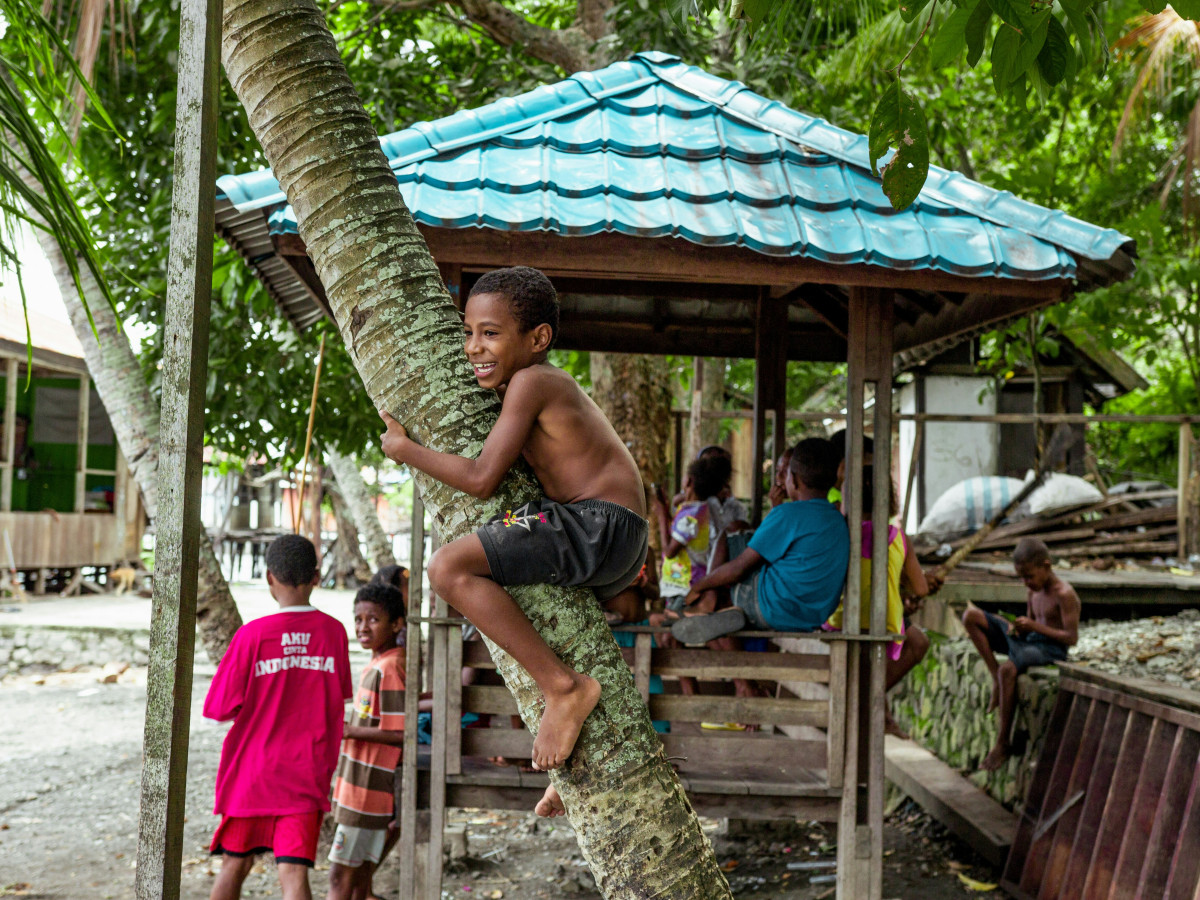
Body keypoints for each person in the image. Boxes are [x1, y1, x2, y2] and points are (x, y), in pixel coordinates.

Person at [378, 266, 648, 772]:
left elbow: (482, 479)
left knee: (446, 568)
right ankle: (570, 769)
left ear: (538, 338)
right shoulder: (530, 386)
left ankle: (562, 687)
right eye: (468, 332)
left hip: (596, 524)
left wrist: (403, 449)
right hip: (608, 533)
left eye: (491, 333)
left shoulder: (533, 381)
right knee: (564, 631)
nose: (473, 348)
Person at [203, 535, 353, 900]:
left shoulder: (251, 636)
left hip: (252, 773)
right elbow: (339, 698)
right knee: (294, 872)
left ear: (269, 577)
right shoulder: (334, 632)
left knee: (234, 864)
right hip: (306, 773)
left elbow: (218, 709)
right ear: (316, 577)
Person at [669, 438, 849, 644]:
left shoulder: (787, 513)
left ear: (794, 479)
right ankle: (722, 609)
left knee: (734, 529)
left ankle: (709, 602)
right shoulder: (837, 519)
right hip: (813, 617)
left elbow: (738, 569)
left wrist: (698, 587)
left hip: (769, 608)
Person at [824, 466, 930, 737]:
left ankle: (865, 699)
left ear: (848, 497)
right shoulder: (899, 537)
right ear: (889, 499)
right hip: (884, 623)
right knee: (909, 643)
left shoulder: (838, 532)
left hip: (840, 620)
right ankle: (871, 700)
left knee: (863, 661)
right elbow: (921, 588)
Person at [962, 537, 1079, 772]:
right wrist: (1018, 627)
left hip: (1050, 649)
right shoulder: (1032, 592)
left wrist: (1035, 627)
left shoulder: (1064, 594)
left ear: (1046, 566)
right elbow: (1030, 623)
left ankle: (1003, 742)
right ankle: (994, 674)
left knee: (1008, 670)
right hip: (1029, 642)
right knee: (970, 616)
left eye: (1029, 576)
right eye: (1021, 578)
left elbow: (1071, 638)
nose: (1026, 582)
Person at [327, 584, 407, 900]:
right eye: (358, 619)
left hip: (366, 790)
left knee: (339, 878)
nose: (363, 627)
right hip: (358, 787)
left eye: (373, 620)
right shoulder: (378, 662)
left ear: (396, 624)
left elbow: (399, 733)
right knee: (359, 879)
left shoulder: (390, 667)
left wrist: (348, 731)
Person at [653, 454, 730, 616]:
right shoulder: (697, 510)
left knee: (672, 622)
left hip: (685, 586)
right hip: (682, 583)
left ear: (689, 481)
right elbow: (677, 534)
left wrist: (661, 517)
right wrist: (665, 510)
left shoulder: (691, 516)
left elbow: (670, 551)